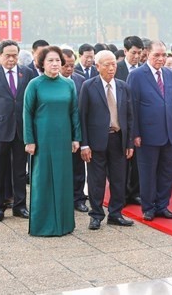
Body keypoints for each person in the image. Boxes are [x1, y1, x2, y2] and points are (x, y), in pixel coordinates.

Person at [23, 46, 81, 236]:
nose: (55, 64)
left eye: (57, 60)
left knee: (63, 179)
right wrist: (29, 140)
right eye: (50, 60)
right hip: (42, 139)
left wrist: (76, 138)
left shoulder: (68, 84)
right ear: (42, 63)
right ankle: (43, 225)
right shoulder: (35, 84)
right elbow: (27, 113)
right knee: (43, 180)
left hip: (63, 139)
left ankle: (64, 224)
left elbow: (74, 112)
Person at [80, 50, 135, 229]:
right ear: (97, 67)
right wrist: (84, 144)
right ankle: (96, 215)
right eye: (107, 65)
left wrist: (129, 143)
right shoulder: (88, 86)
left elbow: (129, 116)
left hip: (118, 139)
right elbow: (83, 116)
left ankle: (116, 213)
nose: (112, 68)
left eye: (114, 64)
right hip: (97, 141)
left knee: (119, 179)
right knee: (97, 180)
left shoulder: (123, 86)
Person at [127, 40, 172, 221]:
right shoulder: (136, 75)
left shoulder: (169, 74)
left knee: (166, 172)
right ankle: (148, 207)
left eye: (164, 55)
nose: (161, 58)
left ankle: (162, 206)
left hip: (169, 132)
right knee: (148, 172)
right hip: (147, 134)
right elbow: (132, 107)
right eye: (156, 55)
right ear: (147, 54)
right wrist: (135, 133)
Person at [0, 40, 34, 222]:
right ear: (0, 55)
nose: (11, 59)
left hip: (20, 130)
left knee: (20, 171)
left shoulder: (26, 73)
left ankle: (20, 206)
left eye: (14, 55)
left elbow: (30, 103)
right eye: (8, 55)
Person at [116, 36, 144, 206]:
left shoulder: (142, 70)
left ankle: (135, 192)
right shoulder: (116, 68)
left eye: (139, 53)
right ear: (125, 51)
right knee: (121, 161)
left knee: (136, 160)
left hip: (137, 120)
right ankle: (121, 194)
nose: (136, 56)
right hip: (120, 122)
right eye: (133, 52)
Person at [60, 48, 88, 212]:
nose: (69, 69)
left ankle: (79, 198)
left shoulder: (80, 80)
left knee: (78, 167)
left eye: (72, 66)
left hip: (77, 130)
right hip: (59, 131)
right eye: (66, 66)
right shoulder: (51, 81)